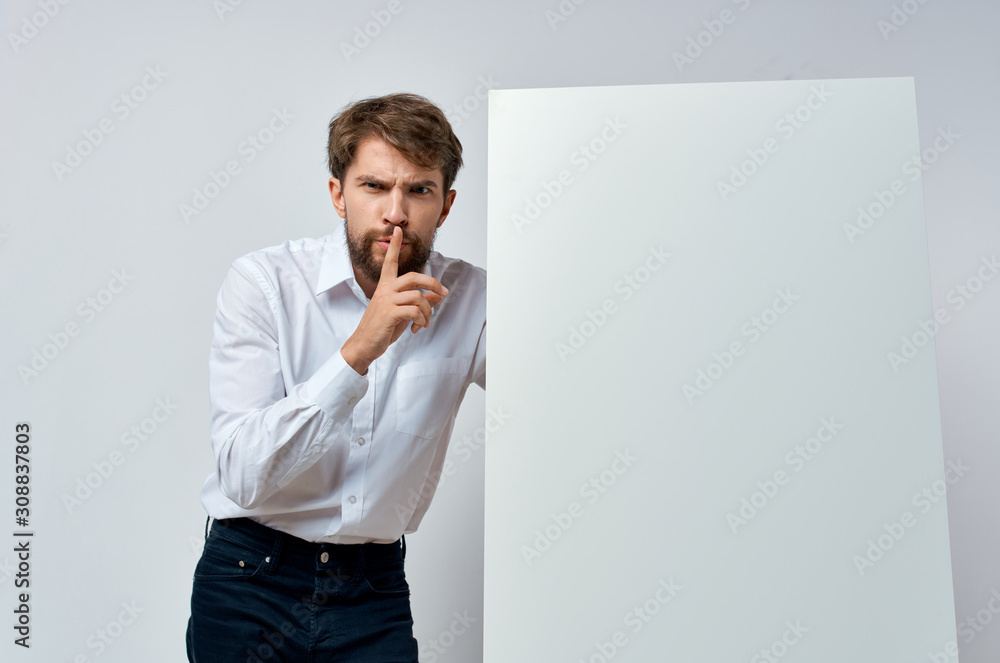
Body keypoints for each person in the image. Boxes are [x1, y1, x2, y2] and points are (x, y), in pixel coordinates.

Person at [186, 92, 486, 662]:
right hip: (249, 579)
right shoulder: (263, 283)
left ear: (444, 206)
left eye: (418, 190)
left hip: (372, 590)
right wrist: (357, 352)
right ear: (338, 195)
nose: (395, 212)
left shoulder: (474, 300)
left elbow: (558, 392)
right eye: (373, 186)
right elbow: (241, 475)